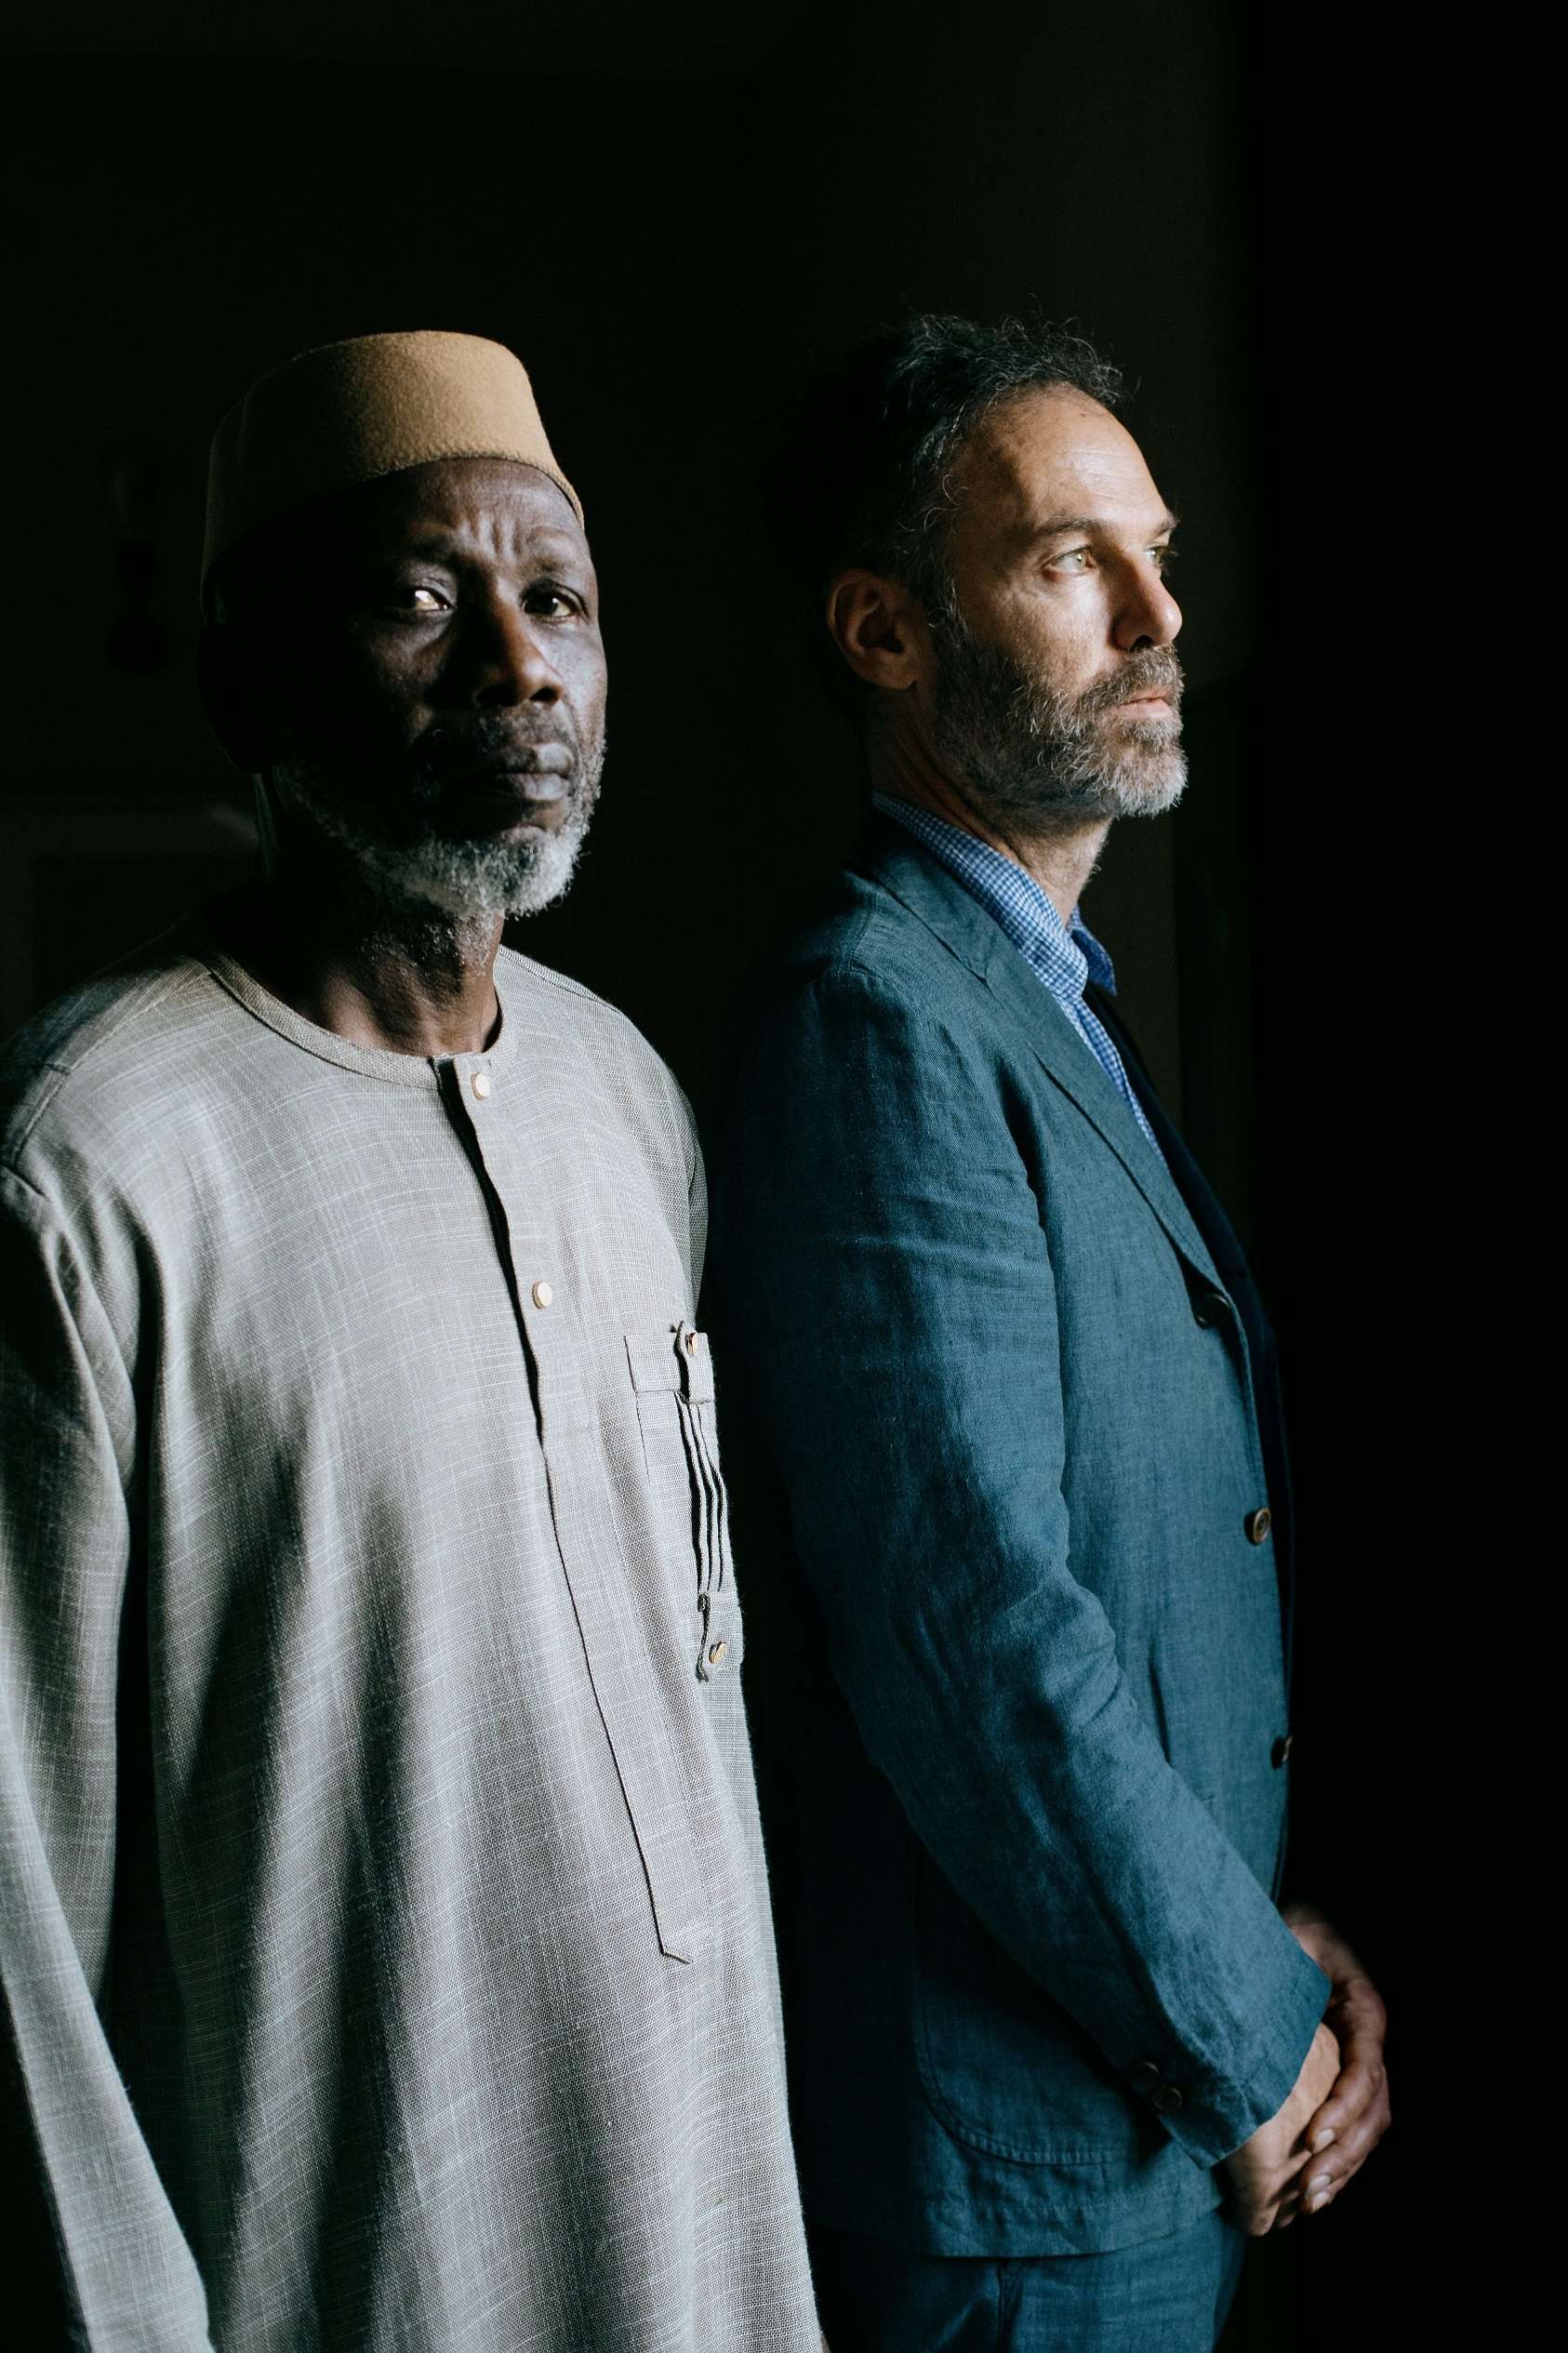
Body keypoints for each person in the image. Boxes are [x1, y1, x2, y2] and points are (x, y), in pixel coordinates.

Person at [0, 330, 818, 2353]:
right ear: (244, 682)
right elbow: (11, 1908)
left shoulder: (628, 1100)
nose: (516, 666)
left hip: (709, 2230)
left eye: (559, 602)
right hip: (349, 2273)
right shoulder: (89, 1166)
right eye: (420, 598)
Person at [707, 314, 1391, 2351]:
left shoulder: (1040, 991)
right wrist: (1251, 2034)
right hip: (1021, 2184)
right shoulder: (881, 1019)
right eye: (1068, 557)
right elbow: (976, 1630)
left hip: (1137, 2107)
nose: (1160, 609)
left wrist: (1251, 1951)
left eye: (1155, 548)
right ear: (885, 631)